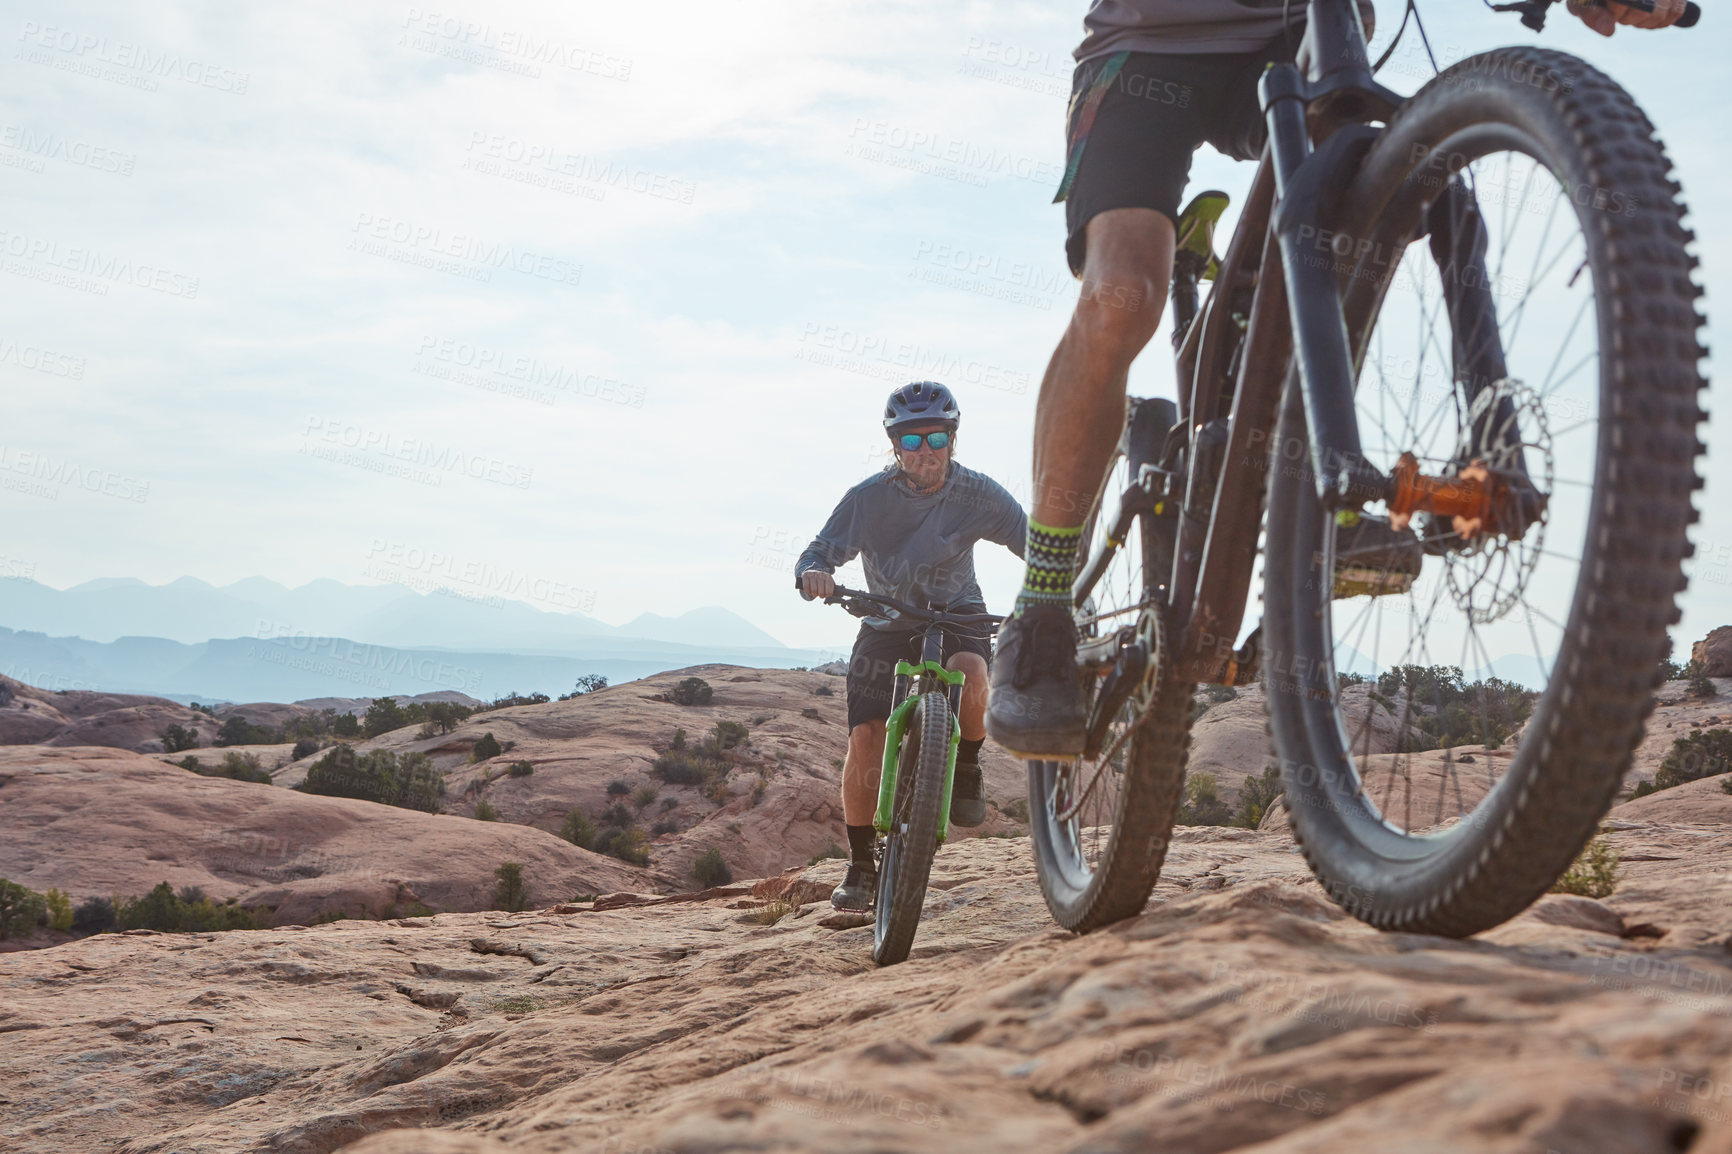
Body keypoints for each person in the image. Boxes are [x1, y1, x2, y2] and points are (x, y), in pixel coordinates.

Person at [986, 0, 1691, 756]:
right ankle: (1043, 605)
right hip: (1148, 48)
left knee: (1373, 181)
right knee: (1123, 297)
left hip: (1304, 27)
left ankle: (1320, 476)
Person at [796, 382, 1027, 910]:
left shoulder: (979, 494)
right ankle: (860, 865)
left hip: (959, 610)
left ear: (953, 437)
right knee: (867, 736)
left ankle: (967, 763)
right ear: (894, 443)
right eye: (912, 437)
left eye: (936, 435)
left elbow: (1032, 544)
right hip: (887, 620)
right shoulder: (868, 499)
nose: (925, 448)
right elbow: (821, 551)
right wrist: (814, 572)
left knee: (969, 668)